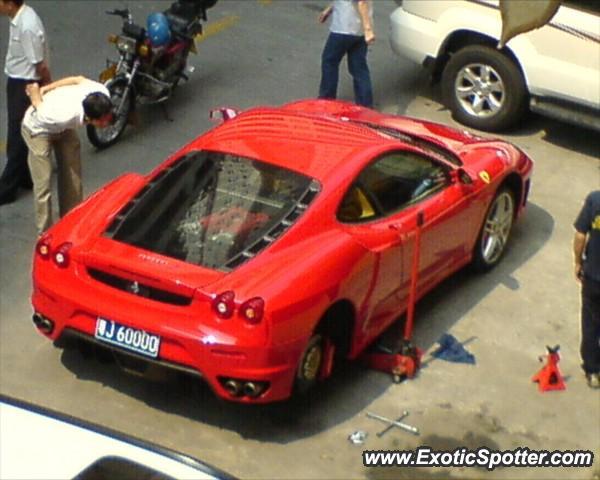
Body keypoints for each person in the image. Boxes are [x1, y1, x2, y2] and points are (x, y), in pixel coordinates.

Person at [21, 76, 113, 234]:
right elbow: (37, 104)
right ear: (90, 119)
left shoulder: (101, 92)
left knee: (73, 173)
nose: (107, 123)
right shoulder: (62, 115)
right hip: (38, 130)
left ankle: (72, 220)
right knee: (43, 182)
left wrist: (47, 88)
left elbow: (77, 79)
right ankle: (45, 232)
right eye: (103, 121)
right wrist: (36, 90)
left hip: (63, 128)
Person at [0, 0, 51, 206]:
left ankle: (6, 188)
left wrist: (48, 85)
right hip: (17, 80)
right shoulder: (20, 18)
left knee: (18, 135)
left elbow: (39, 64)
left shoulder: (27, 26)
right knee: (19, 131)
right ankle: (25, 176)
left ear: (10, 4)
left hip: (25, 85)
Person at [318, 0, 375, 108]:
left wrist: (368, 29)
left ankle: (327, 100)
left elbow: (361, 2)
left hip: (344, 28)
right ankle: (365, 105)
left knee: (329, 61)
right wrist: (329, 10)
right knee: (358, 68)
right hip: (359, 32)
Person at [573, 190, 600, 389]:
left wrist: (577, 262)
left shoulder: (595, 200)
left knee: (590, 322)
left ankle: (592, 370)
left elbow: (581, 234)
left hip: (593, 277)